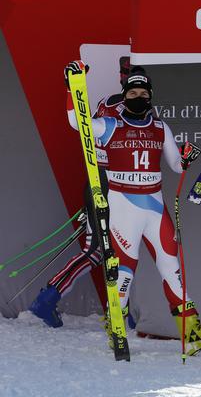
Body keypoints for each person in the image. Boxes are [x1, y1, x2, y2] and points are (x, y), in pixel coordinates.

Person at [62, 61, 201, 356]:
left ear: (151, 96)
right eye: (133, 92)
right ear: (124, 95)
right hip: (124, 206)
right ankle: (116, 328)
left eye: (144, 93)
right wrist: (72, 87)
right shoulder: (110, 124)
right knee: (125, 270)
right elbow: (77, 122)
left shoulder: (160, 127)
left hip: (155, 205)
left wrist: (185, 158)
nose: (139, 97)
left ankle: (191, 332)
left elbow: (176, 164)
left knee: (171, 266)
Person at [30, 58, 142, 328]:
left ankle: (118, 309)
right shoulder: (130, 109)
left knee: (107, 248)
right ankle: (53, 297)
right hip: (115, 183)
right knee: (102, 250)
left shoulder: (107, 102)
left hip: (102, 181)